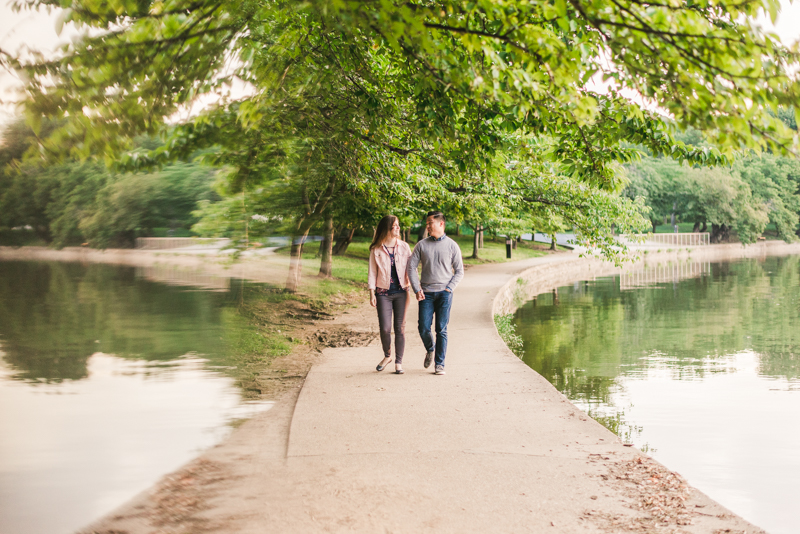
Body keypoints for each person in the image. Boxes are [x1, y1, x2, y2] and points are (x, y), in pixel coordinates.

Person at [407, 211, 464, 375]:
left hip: (445, 293)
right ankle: (430, 348)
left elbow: (459, 271)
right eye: (426, 223)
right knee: (423, 327)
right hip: (426, 294)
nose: (427, 226)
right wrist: (417, 289)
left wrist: (449, 288)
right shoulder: (421, 245)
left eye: (430, 223)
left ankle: (440, 364)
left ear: (441, 224)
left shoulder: (452, 246)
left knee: (441, 329)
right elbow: (411, 268)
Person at [368, 215, 412, 374]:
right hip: (383, 293)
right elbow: (372, 272)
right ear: (387, 228)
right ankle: (387, 355)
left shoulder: (405, 247)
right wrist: (371, 293)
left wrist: (417, 289)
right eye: (395, 226)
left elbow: (411, 270)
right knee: (385, 328)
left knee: (400, 328)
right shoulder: (376, 249)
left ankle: (399, 363)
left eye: (398, 225)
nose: (398, 228)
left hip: (402, 292)